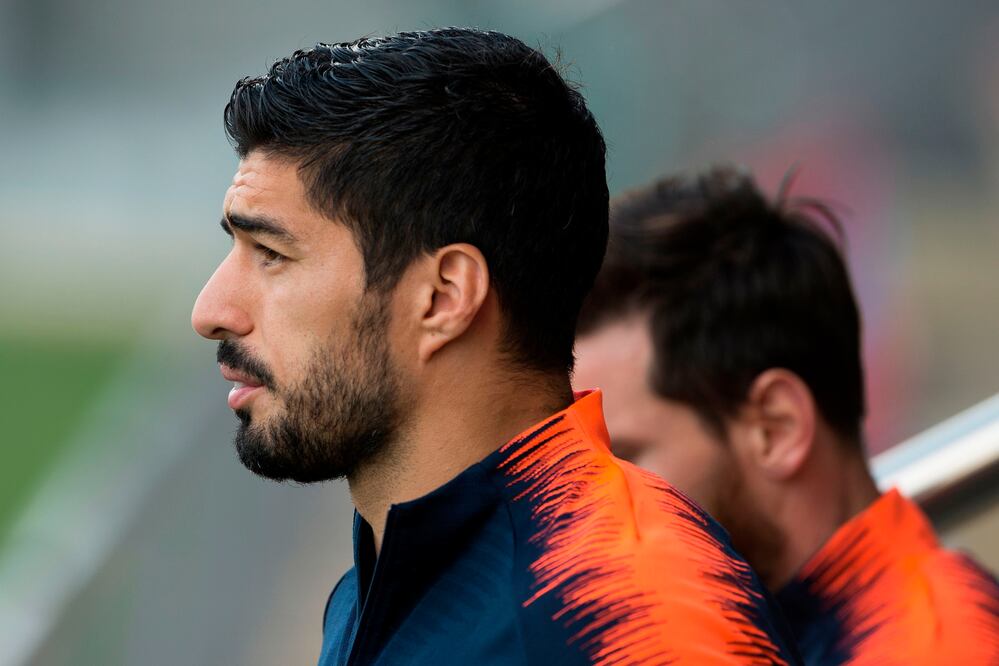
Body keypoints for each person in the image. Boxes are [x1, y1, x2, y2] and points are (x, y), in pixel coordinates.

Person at [191, 29, 800, 666]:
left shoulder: (631, 621)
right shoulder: (376, 590)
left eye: (271, 254)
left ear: (444, 297)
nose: (210, 313)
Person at [574, 165, 999, 665]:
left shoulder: (930, 649)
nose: (584, 513)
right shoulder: (766, 633)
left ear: (776, 427)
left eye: (622, 457)